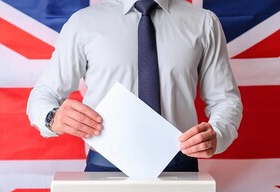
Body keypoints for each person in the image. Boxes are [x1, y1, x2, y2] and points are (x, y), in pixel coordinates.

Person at [27, 0, 243, 172]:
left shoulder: (203, 23)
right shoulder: (84, 23)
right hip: (105, 168)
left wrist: (217, 133)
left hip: (180, 167)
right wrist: (52, 118)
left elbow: (224, 99)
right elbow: (44, 93)